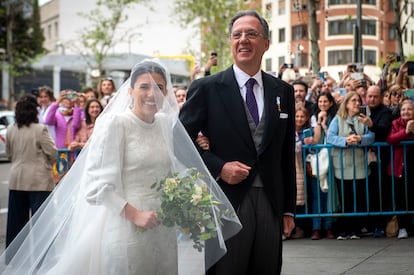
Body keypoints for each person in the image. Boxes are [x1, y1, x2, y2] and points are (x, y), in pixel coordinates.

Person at [0, 60, 241, 274]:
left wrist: (188, 201)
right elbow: (95, 186)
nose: (151, 93)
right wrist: (135, 215)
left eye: (158, 87)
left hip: (162, 226)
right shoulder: (117, 124)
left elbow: (171, 172)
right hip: (126, 225)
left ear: (166, 92)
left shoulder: (164, 124)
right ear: (130, 91)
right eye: (144, 86)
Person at [179, 10, 296, 275]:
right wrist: (220, 167)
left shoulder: (283, 91)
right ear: (231, 42)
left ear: (266, 43)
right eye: (237, 35)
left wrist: (288, 209)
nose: (243, 40)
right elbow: (180, 141)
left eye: (251, 34)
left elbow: (286, 154)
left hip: (270, 201)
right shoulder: (207, 88)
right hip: (225, 201)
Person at [5, 95, 57, 261]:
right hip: (39, 180)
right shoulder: (40, 129)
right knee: (42, 222)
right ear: (34, 110)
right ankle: (44, 257)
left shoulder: (11, 129)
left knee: (16, 222)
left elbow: (9, 153)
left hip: (17, 179)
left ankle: (14, 258)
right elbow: (53, 152)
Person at [327, 91, 375, 240]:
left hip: (359, 163)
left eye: (358, 100)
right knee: (345, 197)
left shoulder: (364, 119)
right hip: (342, 164)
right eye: (353, 100)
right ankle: (344, 229)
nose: (356, 103)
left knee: (358, 197)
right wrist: (346, 141)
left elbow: (372, 136)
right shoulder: (338, 119)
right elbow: (330, 137)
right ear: (346, 103)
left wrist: (360, 139)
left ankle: (356, 229)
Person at [359, 85, 393, 237]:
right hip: (363, 158)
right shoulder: (362, 109)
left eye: (375, 96)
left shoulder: (385, 112)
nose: (372, 99)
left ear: (381, 97)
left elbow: (385, 130)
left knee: (380, 191)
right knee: (366, 191)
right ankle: (369, 224)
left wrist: (371, 125)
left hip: (381, 158)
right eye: (369, 96)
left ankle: (380, 224)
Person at [308, 91, 338, 240]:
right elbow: (316, 140)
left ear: (331, 103)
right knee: (316, 196)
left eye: (325, 102)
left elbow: (331, 138)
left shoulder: (335, 118)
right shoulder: (313, 118)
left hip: (331, 159)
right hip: (316, 159)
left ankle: (329, 226)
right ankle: (316, 227)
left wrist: (325, 124)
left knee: (328, 194)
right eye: (320, 102)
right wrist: (319, 123)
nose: (322, 104)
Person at [386, 99, 414, 239]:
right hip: (399, 166)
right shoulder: (395, 124)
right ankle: (403, 227)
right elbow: (391, 139)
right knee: (401, 197)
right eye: (403, 109)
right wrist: (406, 131)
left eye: (409, 109)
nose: (406, 112)